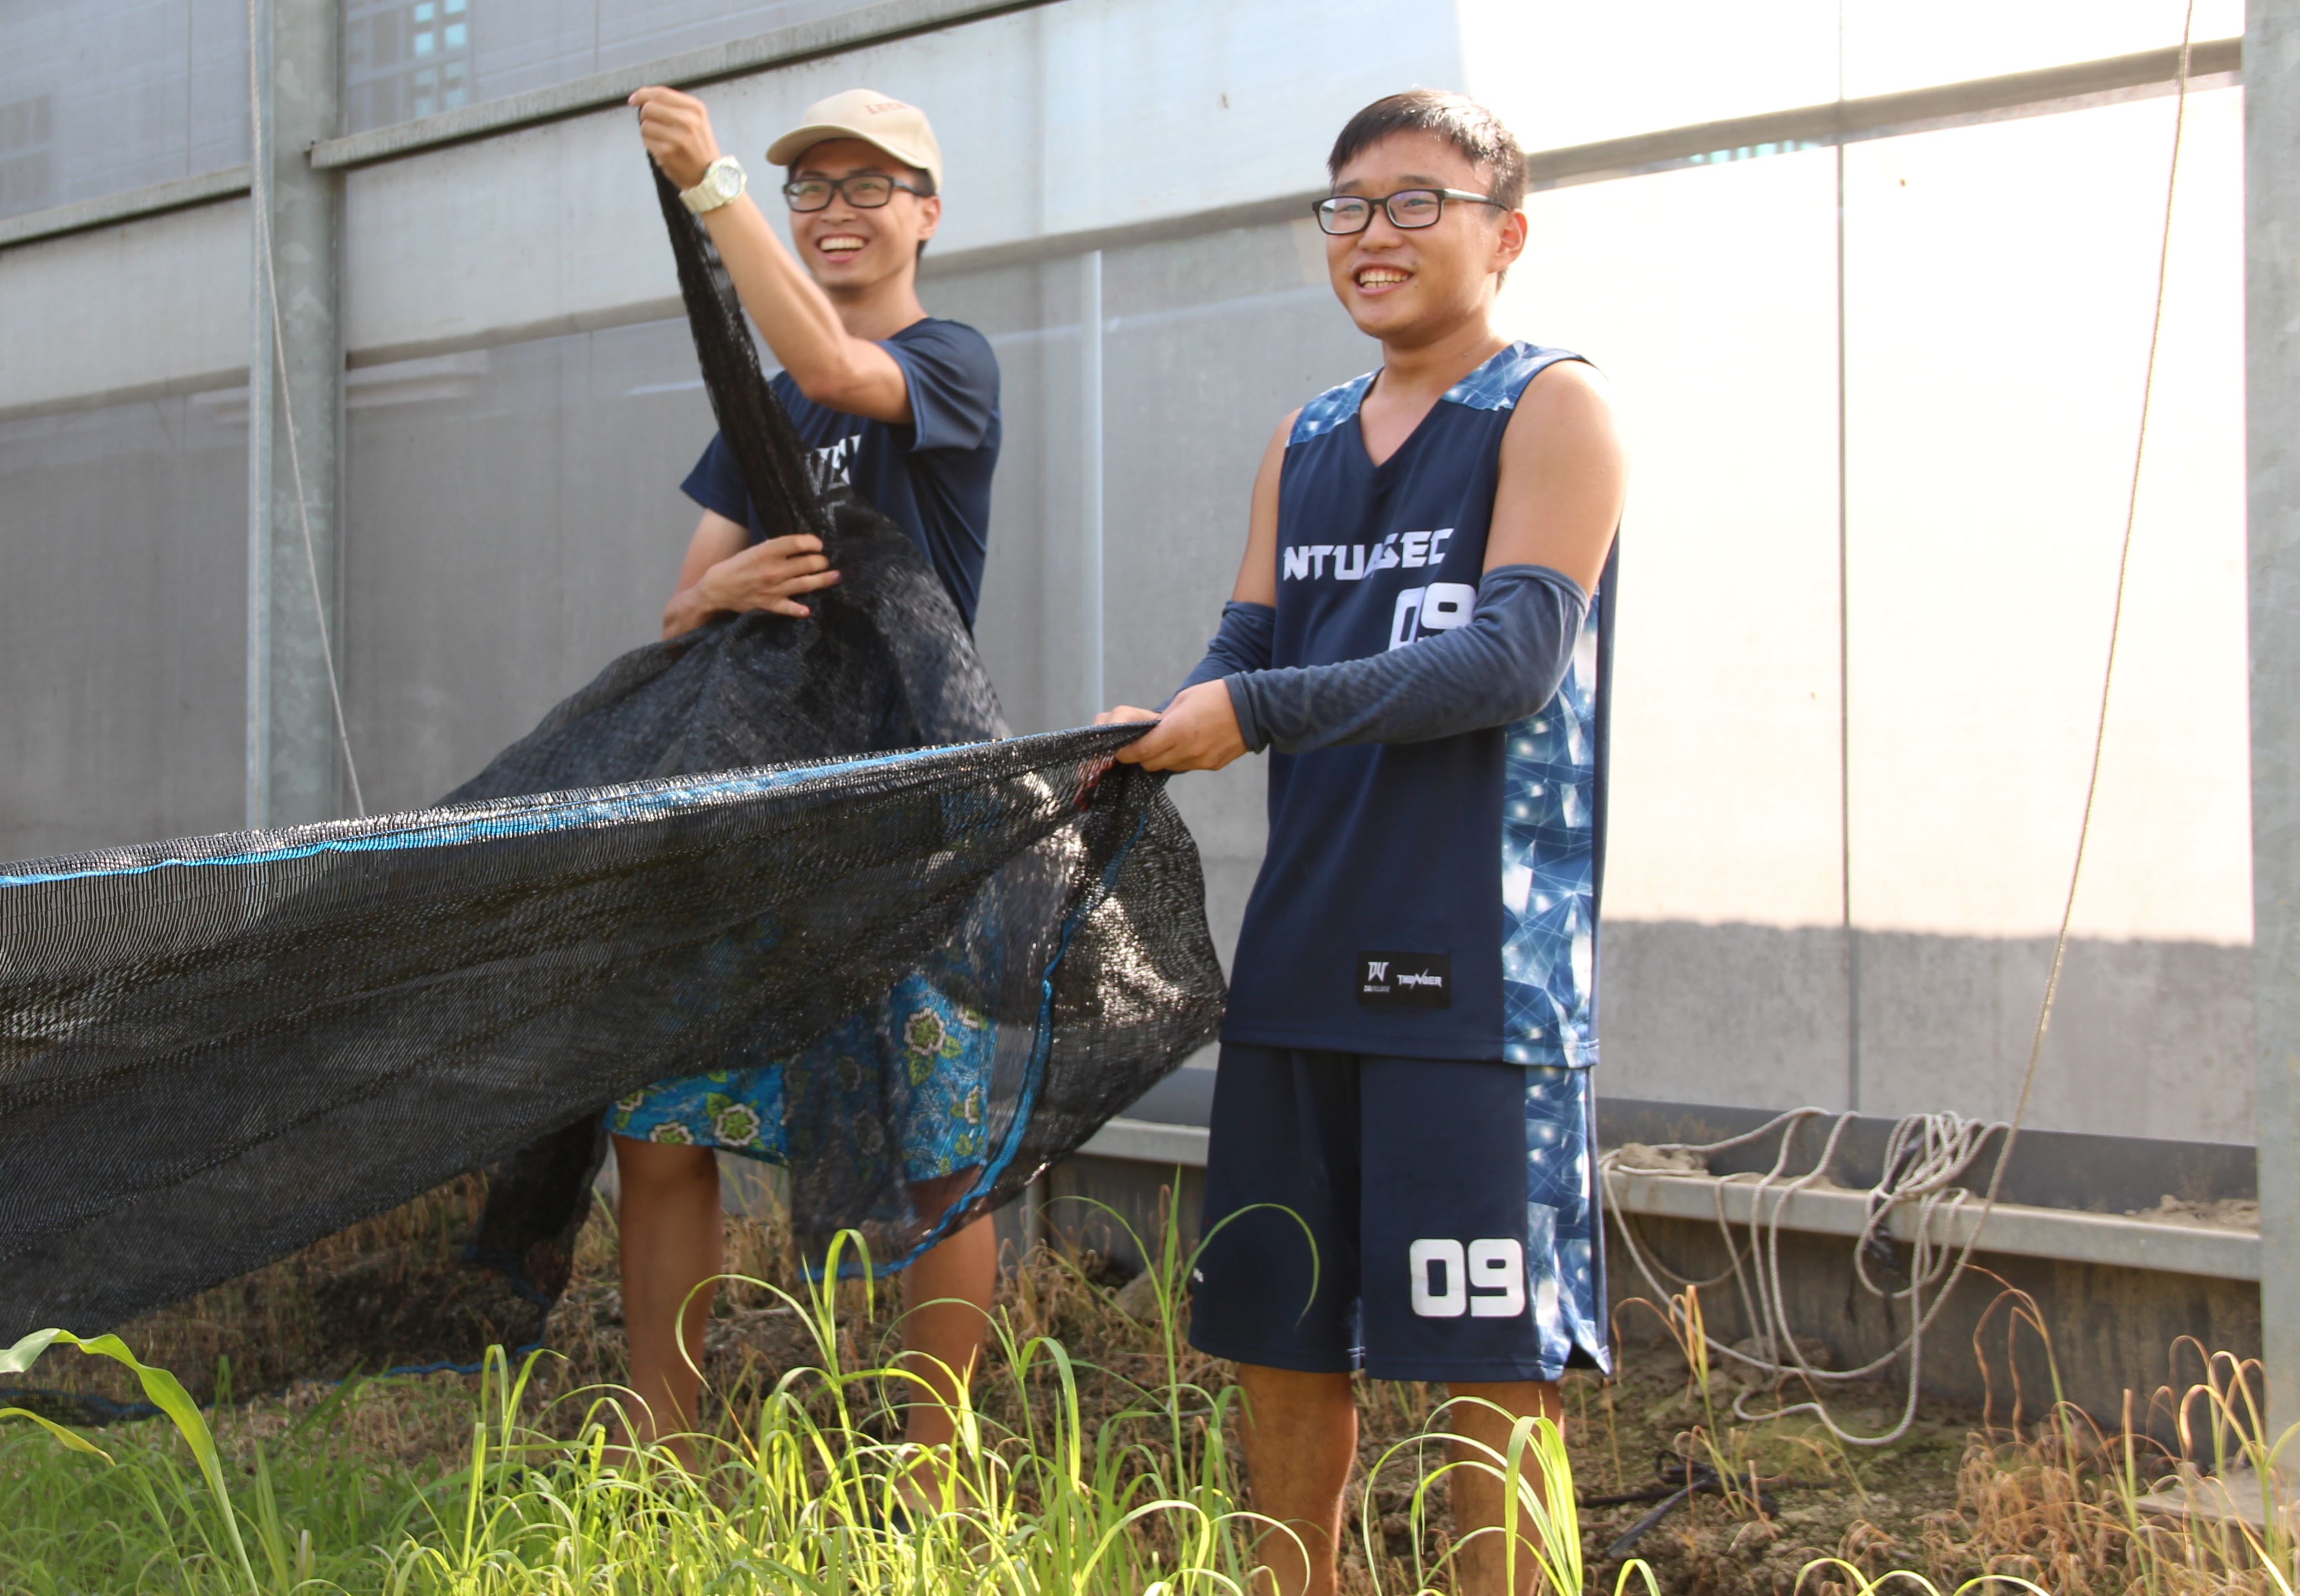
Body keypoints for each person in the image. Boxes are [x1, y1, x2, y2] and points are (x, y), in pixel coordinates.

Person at [1098, 90, 1625, 1596]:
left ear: (1504, 235)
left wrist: (1247, 712)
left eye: (1416, 202)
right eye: (1348, 207)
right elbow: (1246, 640)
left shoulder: (1555, 406)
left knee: (1487, 1374)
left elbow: (1508, 664)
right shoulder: (1306, 436)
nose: (1374, 234)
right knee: (1279, 1340)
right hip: (1303, 964)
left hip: (1478, 985)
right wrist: (1160, 722)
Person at [614, 82, 1005, 1490]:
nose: (837, 210)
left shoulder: (949, 364)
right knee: (658, 1126)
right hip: (753, 818)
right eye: (811, 191)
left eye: (867, 186)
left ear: (927, 214)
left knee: (935, 1147)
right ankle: (663, 1460)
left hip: (905, 827)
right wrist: (720, 581)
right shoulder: (759, 410)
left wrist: (712, 187)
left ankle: (930, 1482)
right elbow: (676, 614)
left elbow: (843, 373)